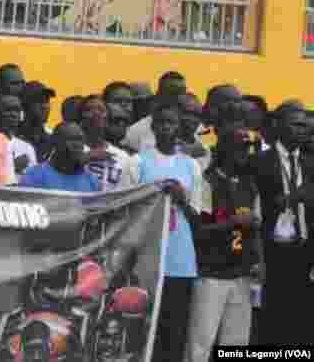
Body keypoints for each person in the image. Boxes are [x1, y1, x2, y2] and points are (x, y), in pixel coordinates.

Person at [124, 97, 202, 361]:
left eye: (172, 122)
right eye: (161, 123)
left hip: (180, 257)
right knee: (143, 327)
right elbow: (124, 208)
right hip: (146, 255)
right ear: (153, 127)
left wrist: (182, 196)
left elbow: (196, 215)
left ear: (180, 127)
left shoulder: (191, 166)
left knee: (174, 328)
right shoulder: (137, 162)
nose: (166, 127)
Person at [186, 102, 263, 360]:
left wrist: (259, 261)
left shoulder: (248, 184)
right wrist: (232, 224)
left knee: (237, 343)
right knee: (200, 343)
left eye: (247, 148)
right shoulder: (206, 182)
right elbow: (197, 231)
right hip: (211, 273)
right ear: (224, 148)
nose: (244, 153)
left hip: (241, 274)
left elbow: (255, 229)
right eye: (239, 148)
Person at [251, 104, 314, 344]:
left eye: (306, 126)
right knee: (272, 319)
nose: (303, 131)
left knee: (301, 321)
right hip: (271, 249)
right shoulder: (259, 161)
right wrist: (285, 200)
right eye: (296, 124)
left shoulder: (311, 163)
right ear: (278, 125)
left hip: (305, 248)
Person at [20, 123, 99, 192]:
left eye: (80, 139)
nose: (78, 145)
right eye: (71, 139)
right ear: (55, 141)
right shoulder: (34, 176)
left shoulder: (92, 180)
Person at [78, 94, 132, 192]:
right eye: (89, 110)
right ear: (80, 119)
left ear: (108, 119)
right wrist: (87, 157)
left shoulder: (123, 157)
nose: (96, 113)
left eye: (101, 110)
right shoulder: (71, 150)